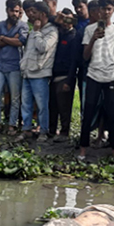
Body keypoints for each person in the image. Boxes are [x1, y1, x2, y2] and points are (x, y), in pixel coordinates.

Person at [79, 0, 114, 159]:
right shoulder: (89, 29)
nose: (106, 12)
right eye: (103, 9)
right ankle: (83, 149)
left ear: (113, 10)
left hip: (112, 76)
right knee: (88, 113)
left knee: (113, 114)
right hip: (93, 75)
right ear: (98, 10)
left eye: (109, 9)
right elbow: (85, 56)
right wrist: (93, 39)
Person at [18, 1, 58, 142]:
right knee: (26, 104)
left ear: (42, 14)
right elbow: (28, 51)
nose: (31, 15)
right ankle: (26, 129)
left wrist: (36, 32)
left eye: (34, 12)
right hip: (27, 72)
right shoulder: (34, 30)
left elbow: (43, 47)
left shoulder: (52, 31)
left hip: (40, 73)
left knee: (42, 105)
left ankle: (43, 131)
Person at [0, 0, 29, 137]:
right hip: (0, 66)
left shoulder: (23, 26)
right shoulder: (0, 25)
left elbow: (21, 42)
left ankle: (12, 125)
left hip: (15, 66)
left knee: (14, 98)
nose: (15, 14)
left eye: (18, 11)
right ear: (7, 10)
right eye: (13, 11)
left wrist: (4, 38)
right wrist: (12, 39)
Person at [49, 9, 79, 142]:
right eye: (64, 19)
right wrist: (57, 20)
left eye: (69, 20)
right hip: (53, 74)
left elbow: (74, 62)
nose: (66, 23)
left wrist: (69, 80)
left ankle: (65, 132)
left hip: (66, 76)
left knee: (64, 107)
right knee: (52, 105)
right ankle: (51, 130)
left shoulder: (74, 36)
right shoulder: (58, 33)